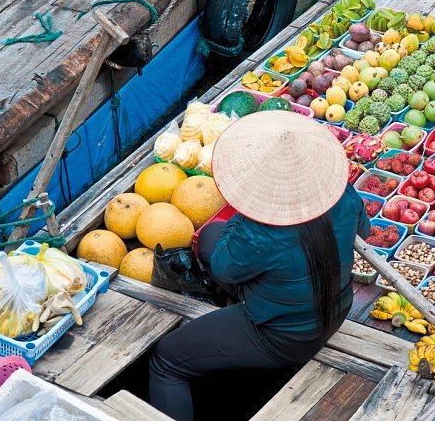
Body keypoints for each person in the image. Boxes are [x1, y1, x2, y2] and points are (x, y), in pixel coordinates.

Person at [148, 110, 370, 421]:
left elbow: (224, 269)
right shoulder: (342, 193)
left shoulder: (260, 231)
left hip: (285, 336)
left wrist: (247, 218)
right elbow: (362, 231)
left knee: (166, 360)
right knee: (213, 236)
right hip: (337, 307)